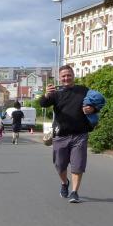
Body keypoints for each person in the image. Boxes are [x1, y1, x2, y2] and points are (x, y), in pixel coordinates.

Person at [39, 65, 101, 203]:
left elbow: (96, 103)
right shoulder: (56, 93)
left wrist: (92, 108)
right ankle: (64, 182)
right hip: (61, 135)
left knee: (78, 165)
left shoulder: (83, 90)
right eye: (63, 76)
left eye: (69, 75)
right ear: (59, 78)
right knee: (60, 165)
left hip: (80, 134)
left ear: (73, 75)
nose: (66, 78)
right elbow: (43, 104)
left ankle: (74, 192)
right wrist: (46, 95)